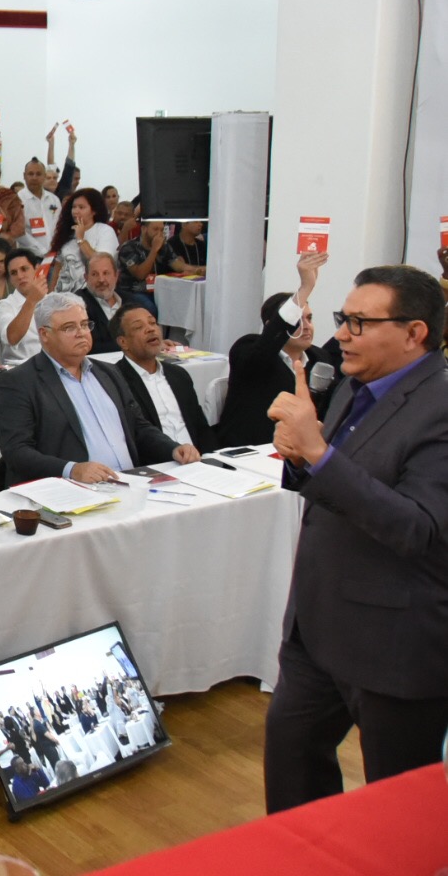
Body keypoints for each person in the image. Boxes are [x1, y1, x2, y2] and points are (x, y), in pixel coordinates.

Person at [262, 264, 448, 812]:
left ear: (414, 333)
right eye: (343, 318)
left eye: (359, 323)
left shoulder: (440, 408)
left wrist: (318, 452)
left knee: (399, 809)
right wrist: (301, 459)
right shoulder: (352, 385)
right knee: (292, 774)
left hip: (394, 643)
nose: (341, 333)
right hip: (318, 628)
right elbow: (337, 489)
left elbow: (416, 527)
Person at [0, 292, 201, 486]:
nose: (81, 333)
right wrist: (71, 470)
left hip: (130, 482)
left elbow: (138, 427)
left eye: (84, 325)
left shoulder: (109, 373)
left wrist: (173, 448)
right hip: (70, 491)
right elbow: (17, 452)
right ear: (44, 334)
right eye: (69, 328)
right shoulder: (18, 382)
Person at [217, 252, 336, 446]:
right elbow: (263, 352)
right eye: (297, 321)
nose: (307, 326)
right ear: (271, 325)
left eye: (309, 318)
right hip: (251, 448)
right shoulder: (248, 348)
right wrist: (305, 288)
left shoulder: (319, 357)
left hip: (300, 449)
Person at [112, 305, 218, 453]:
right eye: (138, 327)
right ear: (123, 342)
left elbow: (201, 428)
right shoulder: (116, 381)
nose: (150, 329)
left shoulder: (179, 375)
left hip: (196, 459)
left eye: (153, 323)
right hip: (158, 462)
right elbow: (136, 437)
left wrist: (212, 459)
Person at [47, 188, 119, 295]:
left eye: (81, 207)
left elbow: (101, 262)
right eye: (74, 207)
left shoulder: (104, 230)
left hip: (91, 294)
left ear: (93, 211)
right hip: (63, 294)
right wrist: (50, 294)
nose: (76, 211)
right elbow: (58, 267)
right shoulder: (67, 233)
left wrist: (81, 239)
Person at [0, 247, 47, 366]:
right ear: (10, 279)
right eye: (13, 273)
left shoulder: (52, 300)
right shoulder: (4, 306)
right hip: (21, 369)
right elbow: (11, 338)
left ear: (37, 269)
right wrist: (31, 301)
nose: (20, 276)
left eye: (24, 269)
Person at [78, 252, 125, 355]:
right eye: (94, 274)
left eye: (106, 273)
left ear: (116, 275)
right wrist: (133, 344)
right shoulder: (78, 305)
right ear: (86, 277)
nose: (101, 280)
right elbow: (89, 345)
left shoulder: (130, 301)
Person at [20, 147, 64, 252]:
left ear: (44, 176)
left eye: (38, 174)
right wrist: (43, 251)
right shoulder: (17, 200)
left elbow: (59, 226)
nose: (34, 178)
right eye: (31, 174)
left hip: (55, 254)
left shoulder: (54, 200)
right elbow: (20, 233)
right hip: (30, 256)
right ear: (24, 176)